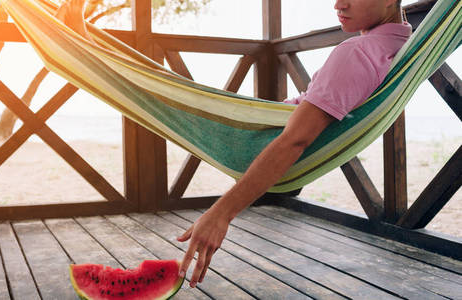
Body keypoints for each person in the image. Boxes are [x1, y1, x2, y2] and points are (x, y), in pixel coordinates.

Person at [57, 0, 411, 288]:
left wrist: (220, 213)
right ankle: (84, 40)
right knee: (167, 89)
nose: (339, 3)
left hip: (260, 142)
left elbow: (295, 139)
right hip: (268, 125)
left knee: (160, 93)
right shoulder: (401, 43)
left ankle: (79, 44)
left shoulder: (355, 52)